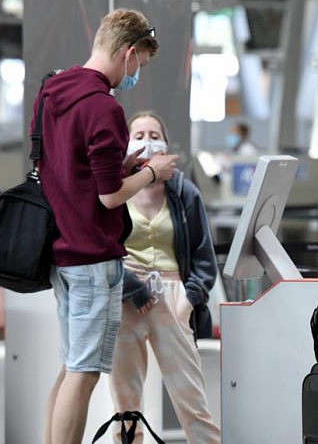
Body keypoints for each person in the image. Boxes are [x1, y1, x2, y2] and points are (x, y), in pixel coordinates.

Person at [33, 9, 179, 444]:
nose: (136, 74)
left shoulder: (51, 92)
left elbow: (68, 169)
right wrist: (153, 173)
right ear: (129, 52)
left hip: (61, 250)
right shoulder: (103, 106)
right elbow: (109, 195)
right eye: (141, 65)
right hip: (93, 257)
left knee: (70, 368)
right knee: (83, 375)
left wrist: (124, 164)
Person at [110, 112, 221, 444]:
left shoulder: (183, 191)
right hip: (126, 295)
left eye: (154, 134)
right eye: (139, 134)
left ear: (166, 144)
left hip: (173, 296)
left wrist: (189, 297)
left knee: (191, 396)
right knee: (126, 402)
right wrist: (129, 286)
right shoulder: (116, 191)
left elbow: (204, 255)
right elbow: (105, 249)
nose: (147, 140)